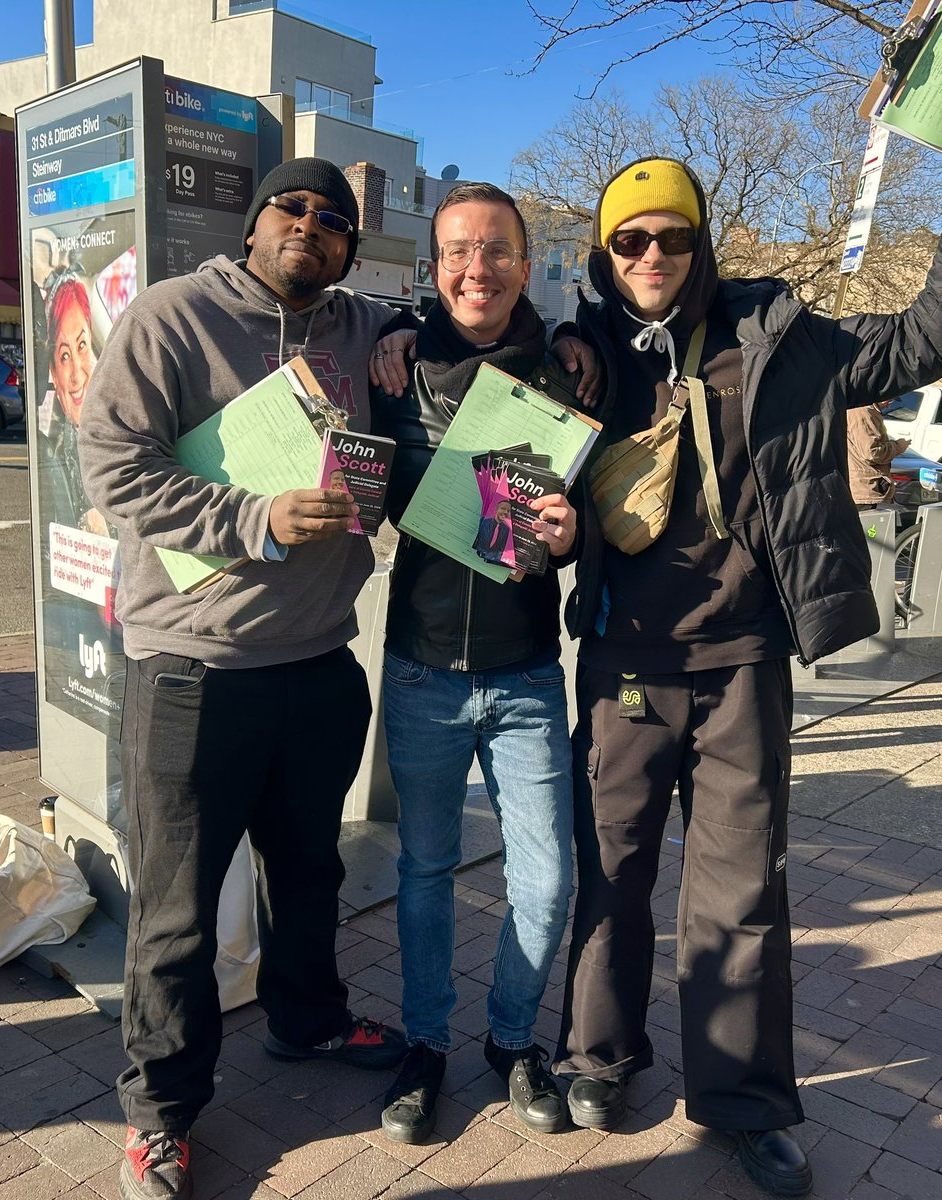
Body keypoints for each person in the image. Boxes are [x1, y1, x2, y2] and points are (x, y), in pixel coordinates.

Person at [552, 126, 942, 1198]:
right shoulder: (569, 355)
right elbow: (462, 364)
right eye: (628, 243)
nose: (650, 256)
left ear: (701, 244)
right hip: (625, 661)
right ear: (603, 257)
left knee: (740, 892)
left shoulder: (785, 341)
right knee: (611, 877)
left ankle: (742, 1101)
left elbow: (928, 337)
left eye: (670, 237)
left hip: (744, 662)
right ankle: (599, 1058)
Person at [79, 158, 411, 1200]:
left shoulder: (362, 329)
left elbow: (465, 322)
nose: (310, 226)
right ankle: (159, 1113)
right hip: (192, 670)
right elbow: (115, 469)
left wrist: (569, 345)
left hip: (318, 663)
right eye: (292, 208)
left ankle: (307, 1023)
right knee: (175, 911)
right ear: (255, 220)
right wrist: (251, 520)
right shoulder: (173, 318)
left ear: (350, 247)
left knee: (310, 873)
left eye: (333, 219)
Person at [370, 182, 579, 1144]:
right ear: (433, 266)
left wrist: (573, 538)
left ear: (526, 265)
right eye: (457, 251)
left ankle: (510, 1040)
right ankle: (424, 1045)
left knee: (545, 881)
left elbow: (597, 519)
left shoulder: (571, 370)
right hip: (419, 669)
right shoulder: (396, 363)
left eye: (496, 250)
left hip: (529, 671)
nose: (476, 268)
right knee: (425, 869)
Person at [44, 276, 107, 534]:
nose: (76, 375)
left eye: (82, 345)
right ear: (54, 374)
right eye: (64, 355)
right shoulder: (53, 458)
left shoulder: (124, 434)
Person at [847, 400, 910, 509]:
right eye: (889, 398)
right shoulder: (864, 412)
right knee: (872, 525)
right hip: (867, 491)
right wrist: (898, 446)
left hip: (867, 489)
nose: (890, 403)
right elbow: (872, 453)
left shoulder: (864, 411)